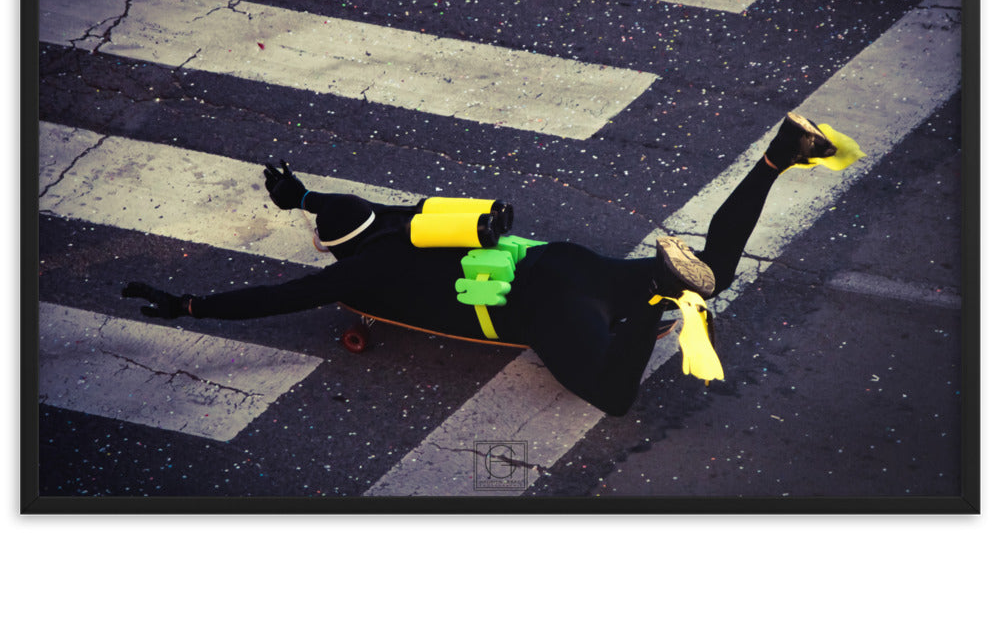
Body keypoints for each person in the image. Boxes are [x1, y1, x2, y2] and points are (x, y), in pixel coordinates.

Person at [122, 113, 862, 416]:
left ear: (335, 254)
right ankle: (778, 154)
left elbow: (275, 298)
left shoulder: (354, 276)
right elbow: (340, 206)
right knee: (719, 272)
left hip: (539, 307)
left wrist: (190, 306)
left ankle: (660, 295)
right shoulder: (407, 219)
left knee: (613, 397)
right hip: (566, 263)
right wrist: (302, 195)